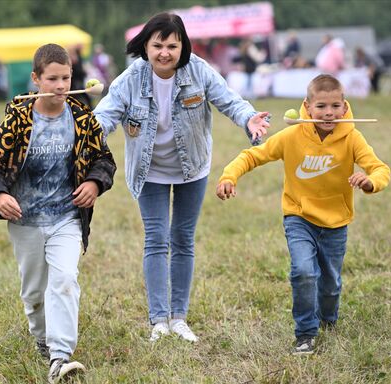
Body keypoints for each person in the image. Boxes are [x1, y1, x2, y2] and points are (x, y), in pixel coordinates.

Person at [93, 12, 270, 343]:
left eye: (172, 46)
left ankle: (179, 318)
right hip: (149, 171)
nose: (164, 53)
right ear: (145, 46)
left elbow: (228, 99)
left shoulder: (198, 70)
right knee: (157, 240)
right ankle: (158, 320)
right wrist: (87, 133)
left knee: (183, 240)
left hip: (193, 169)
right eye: (157, 45)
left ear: (182, 46)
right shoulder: (130, 79)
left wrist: (249, 119)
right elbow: (106, 114)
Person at [0, 43, 116, 383]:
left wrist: (95, 183)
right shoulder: (18, 119)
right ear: (36, 79)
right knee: (34, 293)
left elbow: (103, 159)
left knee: (64, 280)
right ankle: (41, 339)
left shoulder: (82, 117)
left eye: (66, 78)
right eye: (53, 79)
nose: (62, 86)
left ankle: (61, 356)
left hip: (66, 216)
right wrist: (0, 194)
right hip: (26, 221)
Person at [216, 74, 390, 355]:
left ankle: (328, 320)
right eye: (321, 106)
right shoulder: (292, 135)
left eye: (335, 106)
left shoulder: (353, 137)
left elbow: (380, 169)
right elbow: (252, 156)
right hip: (299, 217)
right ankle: (306, 334)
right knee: (303, 272)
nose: (328, 113)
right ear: (307, 107)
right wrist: (229, 177)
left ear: (345, 107)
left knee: (330, 284)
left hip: (336, 222)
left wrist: (371, 182)